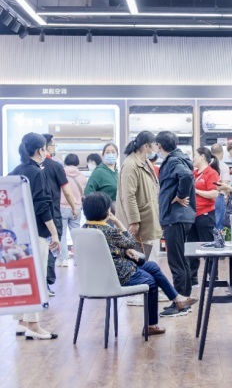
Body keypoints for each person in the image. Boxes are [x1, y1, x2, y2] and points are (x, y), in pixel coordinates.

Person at [82, 192, 198, 332]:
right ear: (107, 211)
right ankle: (151, 325)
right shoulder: (109, 231)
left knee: (152, 266)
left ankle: (177, 299)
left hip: (98, 277)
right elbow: (131, 242)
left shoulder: (84, 230)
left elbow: (108, 248)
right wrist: (117, 221)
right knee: (151, 282)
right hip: (119, 275)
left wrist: (124, 250)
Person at [9, 133, 60, 339]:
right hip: (36, 232)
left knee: (25, 277)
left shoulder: (18, 170)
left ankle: (22, 322)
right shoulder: (37, 173)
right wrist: (54, 233)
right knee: (36, 278)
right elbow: (43, 206)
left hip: (19, 233)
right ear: (40, 150)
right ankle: (33, 324)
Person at [156, 131, 196, 316]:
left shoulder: (172, 161)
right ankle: (184, 300)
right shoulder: (180, 158)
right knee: (181, 261)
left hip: (175, 217)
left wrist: (180, 195)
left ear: (159, 146)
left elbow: (186, 176)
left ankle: (180, 303)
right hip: (181, 217)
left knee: (176, 262)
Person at [116, 131, 161, 266]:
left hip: (149, 219)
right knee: (141, 260)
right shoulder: (131, 165)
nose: (156, 149)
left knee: (150, 258)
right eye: (154, 145)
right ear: (146, 146)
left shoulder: (146, 162)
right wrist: (134, 221)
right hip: (139, 223)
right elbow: (128, 195)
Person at [41, 134, 77, 292]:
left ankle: (37, 285)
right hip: (52, 212)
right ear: (47, 147)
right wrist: (74, 207)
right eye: (54, 145)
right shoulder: (56, 166)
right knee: (51, 246)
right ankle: (46, 284)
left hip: (32, 215)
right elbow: (67, 191)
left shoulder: (25, 167)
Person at [188, 147, 220, 286]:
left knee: (209, 247)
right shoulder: (194, 173)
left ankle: (213, 279)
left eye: (195, 155)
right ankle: (192, 279)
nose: (193, 158)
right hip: (192, 215)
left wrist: (196, 191)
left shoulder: (211, 173)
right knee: (192, 247)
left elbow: (214, 194)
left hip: (205, 215)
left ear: (202, 156)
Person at [57, 154, 87, 267]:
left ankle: (64, 259)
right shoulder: (82, 176)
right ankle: (78, 260)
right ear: (77, 163)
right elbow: (83, 193)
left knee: (62, 235)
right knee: (76, 235)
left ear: (65, 162)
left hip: (62, 207)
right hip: (76, 208)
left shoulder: (61, 174)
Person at [211, 143, 232, 229]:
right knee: (217, 226)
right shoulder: (223, 166)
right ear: (222, 153)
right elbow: (224, 186)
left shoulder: (206, 165)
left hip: (205, 197)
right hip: (218, 198)